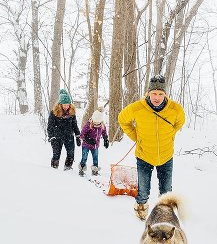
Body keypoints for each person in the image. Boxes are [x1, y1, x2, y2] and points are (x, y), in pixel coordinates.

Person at [118, 74, 185, 220]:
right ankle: (141, 212)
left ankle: (164, 215)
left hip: (166, 156)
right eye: (154, 93)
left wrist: (171, 134)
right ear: (148, 93)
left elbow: (180, 122)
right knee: (143, 191)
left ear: (165, 95)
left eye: (160, 94)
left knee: (166, 191)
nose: (157, 97)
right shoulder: (137, 108)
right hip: (144, 156)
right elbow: (122, 119)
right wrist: (136, 137)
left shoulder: (175, 109)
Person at [47, 88, 81, 170]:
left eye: (68, 104)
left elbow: (74, 125)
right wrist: (51, 137)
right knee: (56, 154)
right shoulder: (54, 112)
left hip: (69, 136)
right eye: (64, 104)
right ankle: (54, 169)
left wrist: (77, 136)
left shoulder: (72, 112)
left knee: (71, 154)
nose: (66, 106)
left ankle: (68, 168)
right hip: (57, 137)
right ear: (60, 104)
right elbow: (50, 126)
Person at [79, 109, 109, 176]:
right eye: (95, 123)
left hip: (95, 145)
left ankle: (95, 171)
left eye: (98, 123)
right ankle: (81, 169)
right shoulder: (88, 124)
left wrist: (105, 139)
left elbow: (104, 132)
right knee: (84, 157)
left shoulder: (102, 125)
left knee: (95, 158)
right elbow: (81, 135)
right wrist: (88, 139)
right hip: (86, 145)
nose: (96, 124)